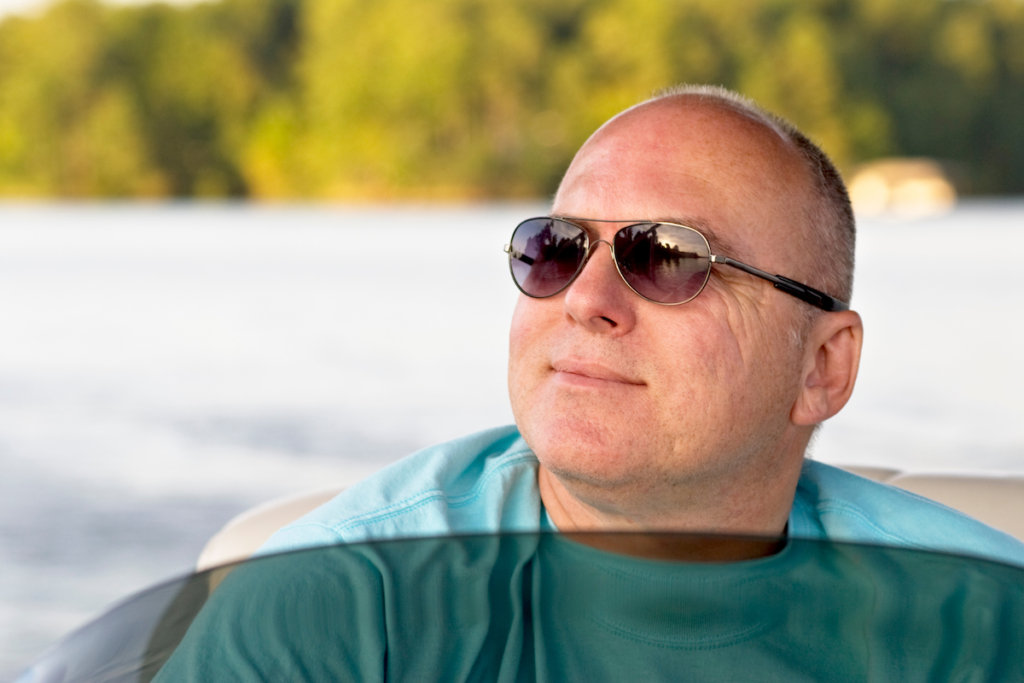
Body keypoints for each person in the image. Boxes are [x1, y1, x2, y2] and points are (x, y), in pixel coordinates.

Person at [153, 85, 1024, 681]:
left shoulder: (978, 624)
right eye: (555, 249)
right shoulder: (340, 609)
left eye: (671, 257)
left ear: (822, 366)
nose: (587, 299)